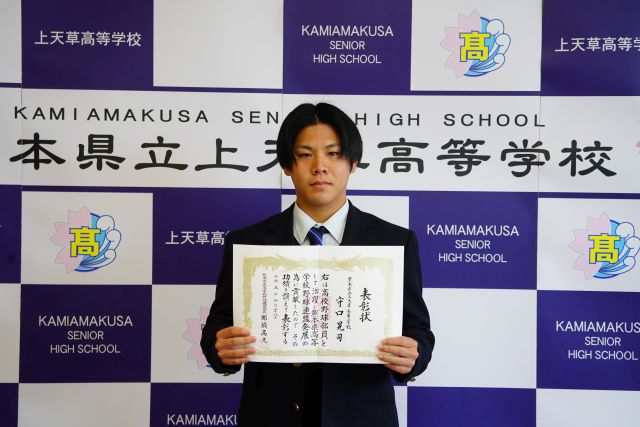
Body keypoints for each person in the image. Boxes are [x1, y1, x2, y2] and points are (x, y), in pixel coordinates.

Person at [201, 103, 435, 427]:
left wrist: (413, 355)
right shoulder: (248, 243)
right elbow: (219, 324)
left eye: (334, 154)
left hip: (361, 418)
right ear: (287, 165)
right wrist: (221, 349)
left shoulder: (394, 242)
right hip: (271, 416)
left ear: (353, 162)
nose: (320, 167)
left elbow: (417, 329)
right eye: (305, 154)